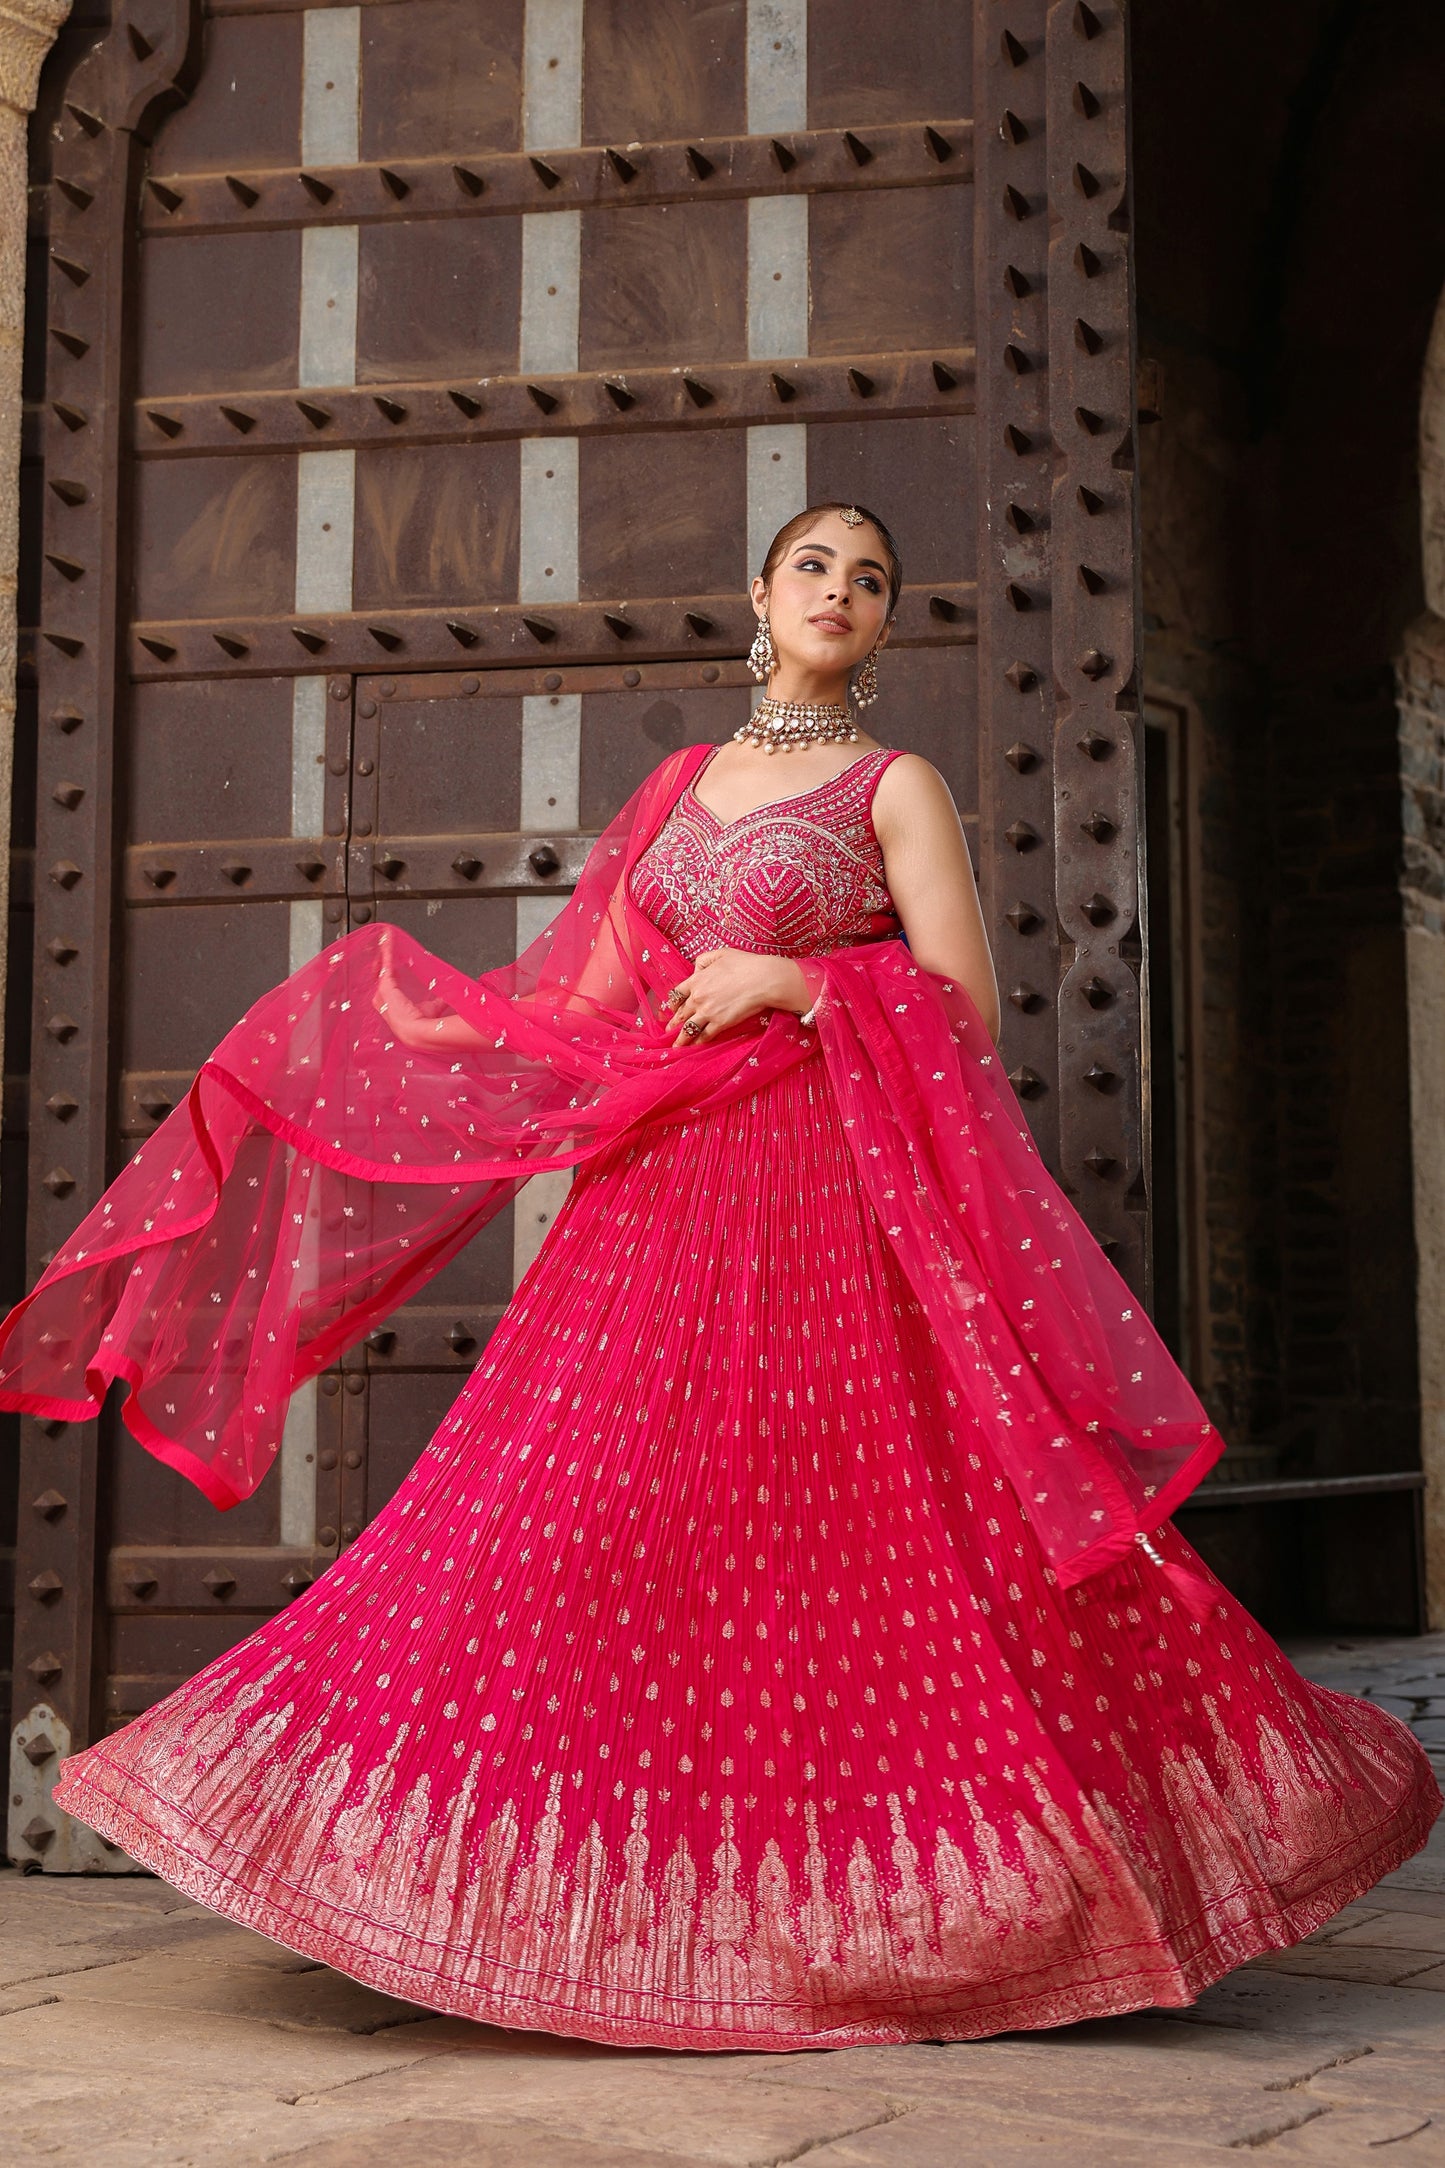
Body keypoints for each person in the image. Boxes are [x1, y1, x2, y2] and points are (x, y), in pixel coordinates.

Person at [0, 504, 1435, 2051]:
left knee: (873, 1537)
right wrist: (436, 1032)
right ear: (760, 593)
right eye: (814, 565)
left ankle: (942, 1902)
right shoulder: (680, 787)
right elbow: (598, 999)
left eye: (870, 579)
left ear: (884, 628)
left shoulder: (898, 788)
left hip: (834, 1212)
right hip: (658, 1207)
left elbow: (959, 1010)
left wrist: (803, 980)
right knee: (565, 1512)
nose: (840, 591)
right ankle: (546, 1888)